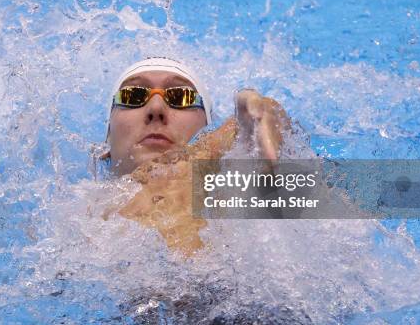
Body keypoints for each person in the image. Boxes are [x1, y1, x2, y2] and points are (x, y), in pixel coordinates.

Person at [101, 57, 291, 255]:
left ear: (207, 129)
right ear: (105, 144)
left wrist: (260, 119)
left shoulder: (230, 203)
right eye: (132, 95)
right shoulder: (78, 218)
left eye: (182, 97)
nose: (156, 108)